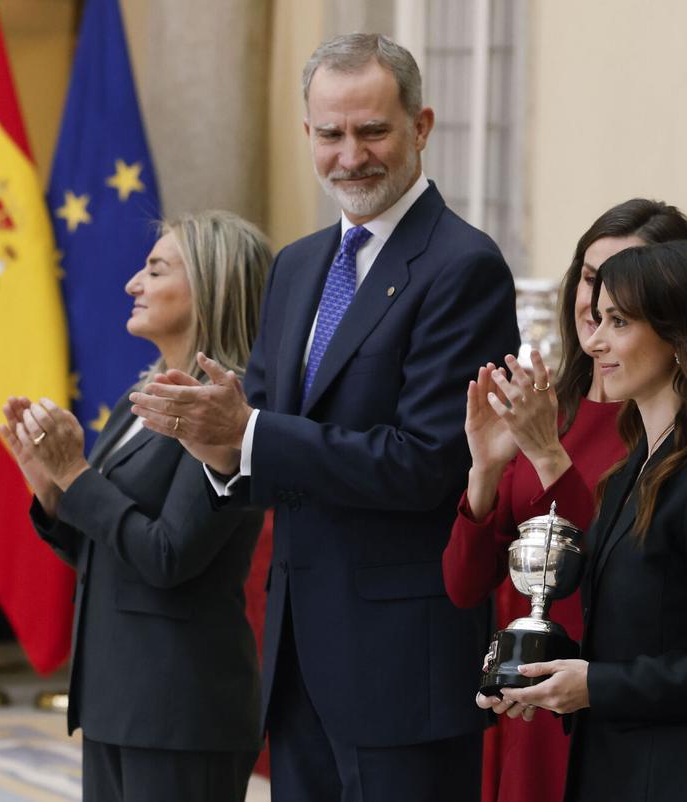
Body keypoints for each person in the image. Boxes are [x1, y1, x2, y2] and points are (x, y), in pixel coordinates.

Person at [127, 33, 520, 802]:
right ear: (308, 135)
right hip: (297, 660)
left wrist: (248, 435)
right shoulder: (299, 264)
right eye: (331, 134)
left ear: (421, 126)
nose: (352, 156)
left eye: (372, 130)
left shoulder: (461, 266)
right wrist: (217, 447)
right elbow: (264, 441)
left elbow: (425, 463)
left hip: (403, 671)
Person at [491, 240, 687, 801]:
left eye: (619, 322)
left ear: (681, 336)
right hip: (614, 766)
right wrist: (539, 678)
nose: (594, 341)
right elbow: (628, 632)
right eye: (597, 319)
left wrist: (594, 685)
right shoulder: (632, 466)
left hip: (683, 776)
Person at [0, 210, 270, 802]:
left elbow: (168, 556)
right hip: (116, 700)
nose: (133, 285)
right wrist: (49, 487)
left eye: (155, 269)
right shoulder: (138, 398)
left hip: (182, 708)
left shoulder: (228, 408)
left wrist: (75, 473)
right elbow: (109, 549)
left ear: (210, 285)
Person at [443, 199, 687, 802]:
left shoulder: (675, 429)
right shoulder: (551, 408)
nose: (597, 303)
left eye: (621, 289)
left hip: (613, 710)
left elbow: (632, 572)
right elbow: (462, 583)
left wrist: (549, 457)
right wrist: (484, 471)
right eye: (589, 279)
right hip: (528, 711)